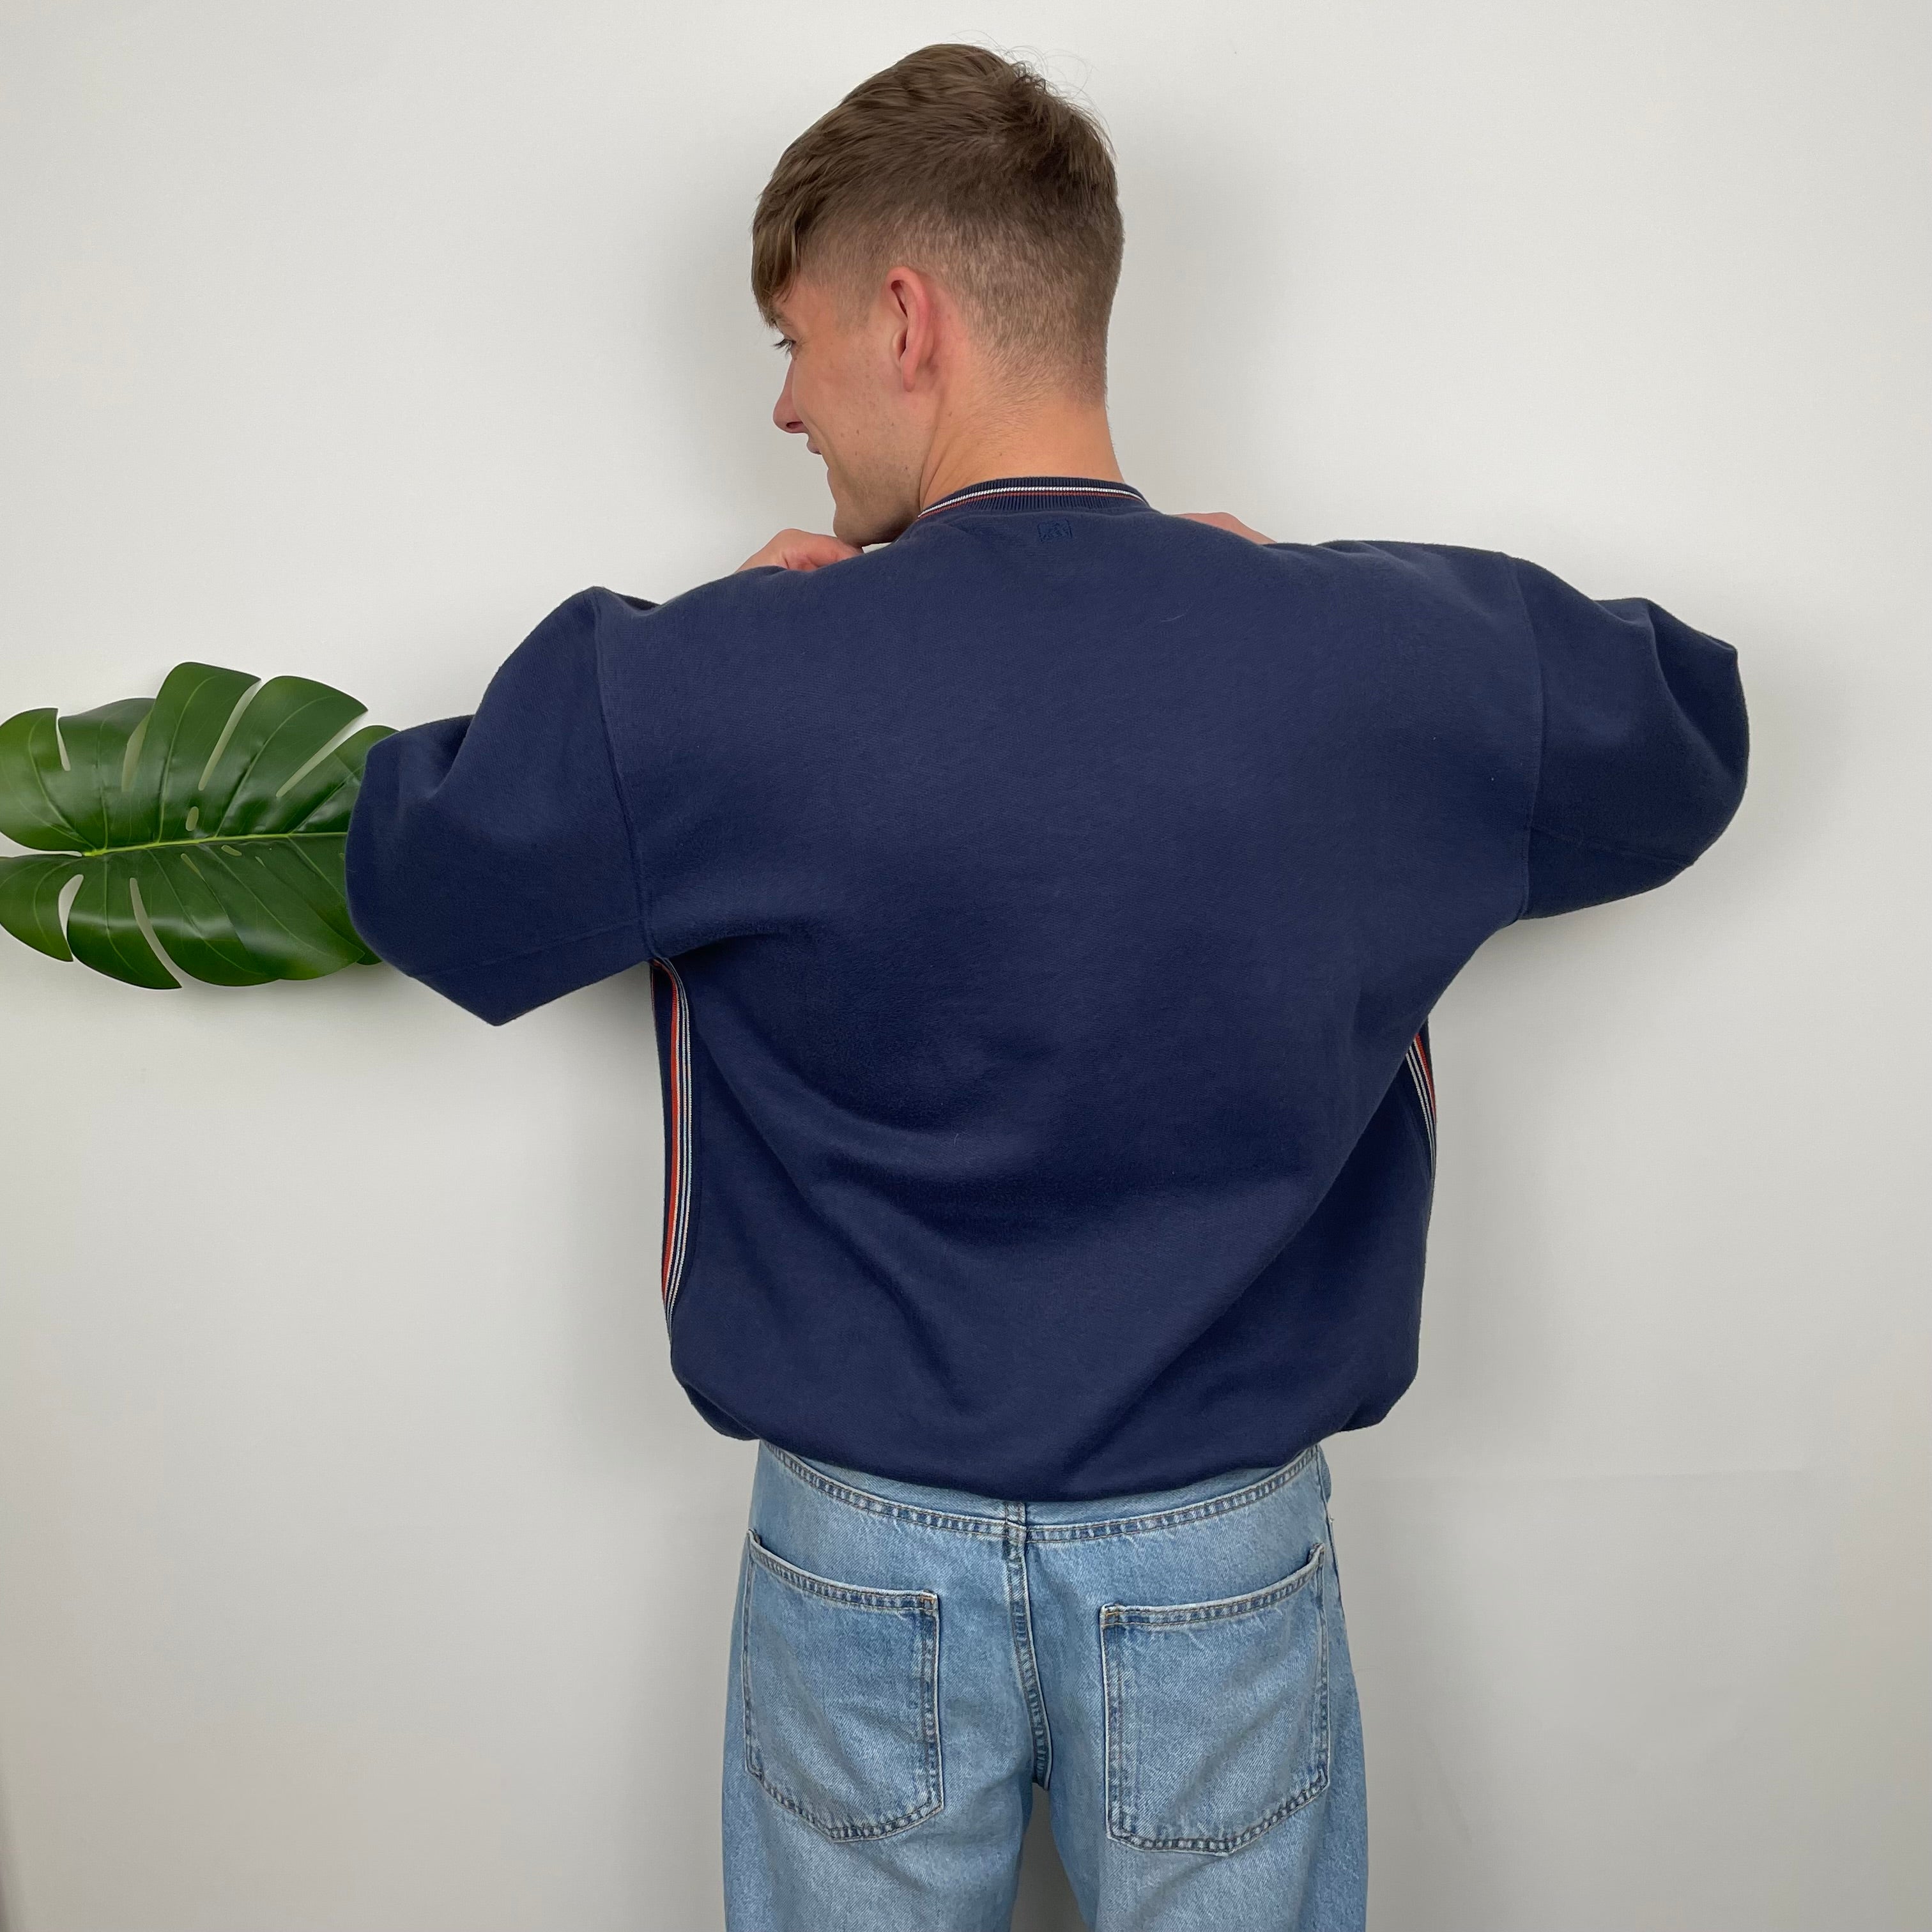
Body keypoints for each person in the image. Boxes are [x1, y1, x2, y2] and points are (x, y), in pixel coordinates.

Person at [342, 41, 1749, 1932]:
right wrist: (1319, 599)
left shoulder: (715, 685)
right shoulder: (1369, 662)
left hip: (859, 1562)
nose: (782, 407)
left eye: (792, 340)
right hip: (1221, 1559)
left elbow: (426, 873)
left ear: (906, 319)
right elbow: (1685, 731)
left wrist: (723, 633)